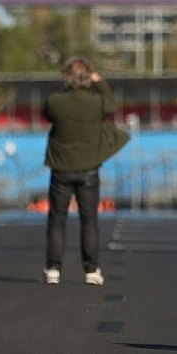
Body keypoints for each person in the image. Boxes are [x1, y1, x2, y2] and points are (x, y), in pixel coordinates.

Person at [43, 57, 123, 287]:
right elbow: (111, 104)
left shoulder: (55, 101)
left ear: (66, 77)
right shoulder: (96, 102)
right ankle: (91, 270)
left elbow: (49, 114)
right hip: (88, 170)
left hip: (60, 169)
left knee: (57, 220)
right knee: (89, 220)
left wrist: (69, 86)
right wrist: (98, 81)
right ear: (88, 77)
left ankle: (53, 269)